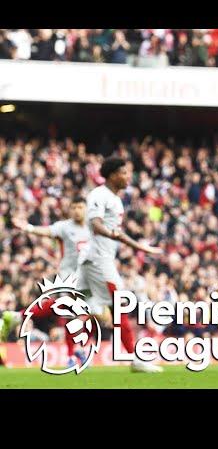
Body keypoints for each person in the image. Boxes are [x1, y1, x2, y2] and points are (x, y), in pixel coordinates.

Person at [78, 156, 164, 373]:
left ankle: (16, 317)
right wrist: (113, 235)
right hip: (98, 260)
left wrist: (141, 247)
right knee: (118, 306)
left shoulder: (116, 200)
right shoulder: (99, 195)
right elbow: (96, 225)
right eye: (125, 173)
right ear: (113, 174)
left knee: (79, 307)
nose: (128, 177)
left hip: (96, 260)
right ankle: (135, 360)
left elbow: (117, 233)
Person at [1, 197, 90, 367]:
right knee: (71, 311)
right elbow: (46, 231)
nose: (77, 210)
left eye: (80, 207)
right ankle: (72, 355)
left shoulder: (93, 228)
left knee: (82, 311)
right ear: (70, 210)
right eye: (74, 207)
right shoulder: (65, 227)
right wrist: (27, 227)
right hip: (69, 276)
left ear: (86, 209)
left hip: (87, 277)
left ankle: (18, 316)